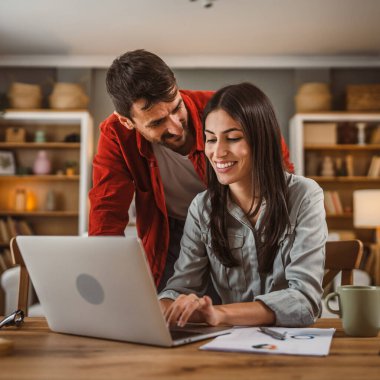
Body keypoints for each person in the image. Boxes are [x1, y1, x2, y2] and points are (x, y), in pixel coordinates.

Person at [89, 49, 294, 291]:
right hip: (171, 233)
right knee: (170, 312)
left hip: (236, 223)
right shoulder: (115, 134)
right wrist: (105, 280)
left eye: (176, 108)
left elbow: (279, 172)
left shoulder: (222, 110)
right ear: (127, 121)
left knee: (242, 306)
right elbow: (106, 212)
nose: (175, 128)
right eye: (156, 123)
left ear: (176, 85)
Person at [159, 82, 327, 327]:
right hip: (229, 346)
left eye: (233, 138)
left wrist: (221, 314)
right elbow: (181, 287)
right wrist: (166, 304)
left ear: (261, 139)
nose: (218, 152)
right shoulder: (201, 208)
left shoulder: (304, 195)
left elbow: (305, 300)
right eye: (210, 139)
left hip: (293, 348)